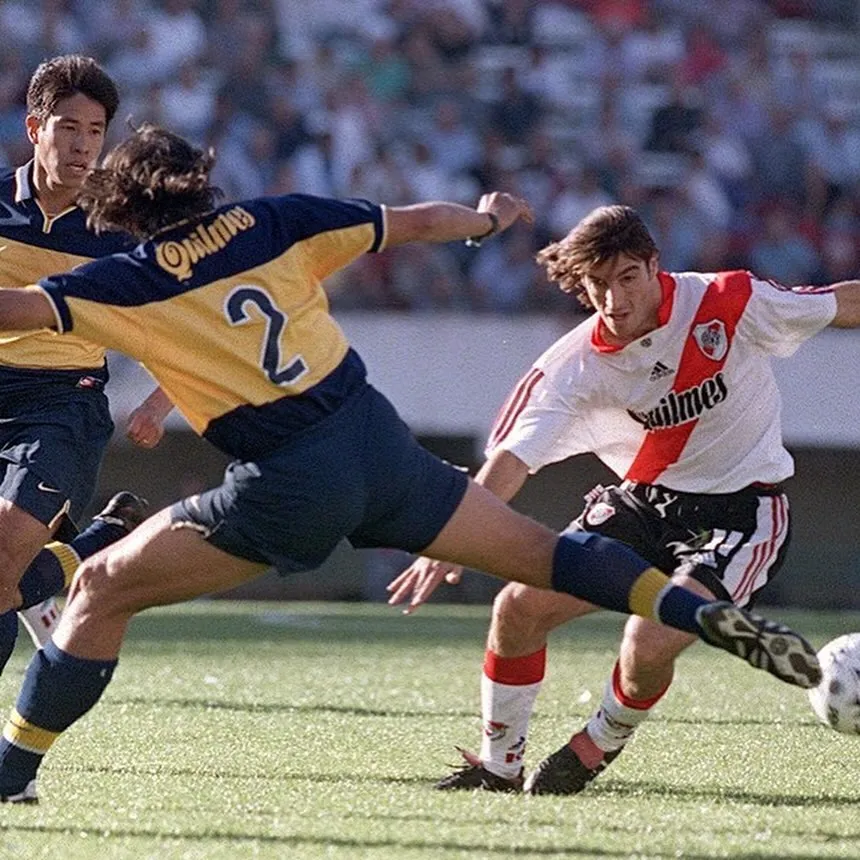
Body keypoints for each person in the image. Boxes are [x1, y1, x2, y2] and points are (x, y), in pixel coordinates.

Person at [0, 126, 823, 805]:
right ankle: (697, 614)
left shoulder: (122, 280)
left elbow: (17, 310)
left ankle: (9, 777)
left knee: (102, 591)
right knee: (545, 557)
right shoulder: (274, 220)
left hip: (287, 480)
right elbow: (415, 222)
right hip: (379, 444)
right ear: (199, 182)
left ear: (123, 206)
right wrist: (487, 219)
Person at [393, 204, 860, 795]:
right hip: (640, 506)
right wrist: (457, 532)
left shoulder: (727, 301)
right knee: (517, 608)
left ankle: (596, 745)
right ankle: (497, 767)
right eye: (597, 284)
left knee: (649, 640)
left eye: (627, 279)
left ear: (653, 267)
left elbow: (837, 303)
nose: (613, 300)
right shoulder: (572, 365)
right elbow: (512, 459)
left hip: (742, 512)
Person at [0, 55, 168, 674]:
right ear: (35, 128)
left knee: (3, 557)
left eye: (95, 132)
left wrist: (159, 401)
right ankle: (95, 542)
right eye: (69, 127)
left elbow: (184, 322)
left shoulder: (118, 227)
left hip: (60, 401)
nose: (82, 145)